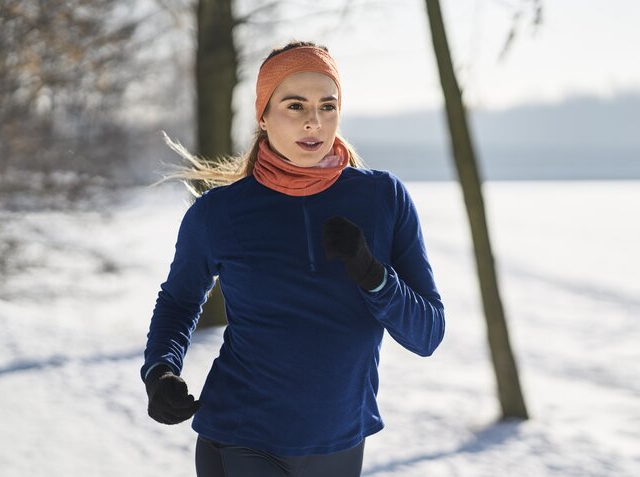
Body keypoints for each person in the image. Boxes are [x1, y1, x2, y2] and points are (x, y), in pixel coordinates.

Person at [141, 41, 445, 477]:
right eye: (295, 105)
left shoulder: (382, 198)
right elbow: (179, 301)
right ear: (263, 115)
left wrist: (374, 275)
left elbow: (428, 333)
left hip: (340, 444)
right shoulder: (220, 213)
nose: (313, 121)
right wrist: (160, 371)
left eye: (327, 105)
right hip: (242, 437)